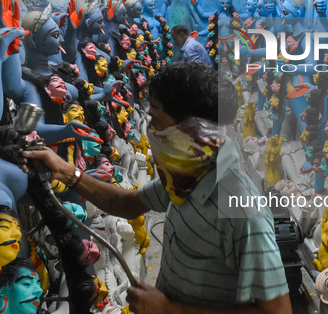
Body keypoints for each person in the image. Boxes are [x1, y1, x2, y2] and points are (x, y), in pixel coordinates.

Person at [20, 62, 291, 313]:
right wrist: (66, 170)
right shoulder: (187, 176)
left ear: (193, 131)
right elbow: (125, 203)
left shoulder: (242, 212)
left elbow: (278, 311)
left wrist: (170, 309)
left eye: (157, 120)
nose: (150, 129)